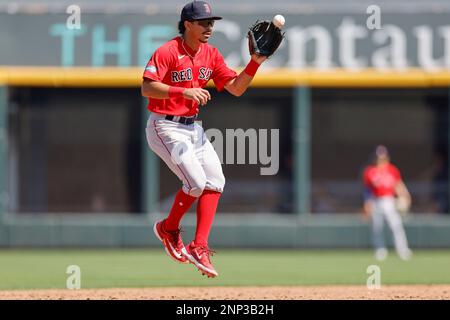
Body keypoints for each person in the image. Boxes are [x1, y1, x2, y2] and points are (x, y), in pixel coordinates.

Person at [141, 1, 267, 278]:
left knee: (215, 182)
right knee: (196, 184)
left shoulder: (211, 54)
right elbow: (146, 87)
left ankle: (199, 245)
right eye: (203, 22)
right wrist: (184, 93)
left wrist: (254, 63)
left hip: (192, 128)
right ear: (187, 24)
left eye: (212, 23)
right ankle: (168, 229)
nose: (209, 27)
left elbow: (235, 88)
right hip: (165, 126)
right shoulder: (168, 51)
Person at [362, 145, 413, 261]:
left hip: (389, 200)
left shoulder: (392, 170)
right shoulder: (370, 171)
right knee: (377, 227)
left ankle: (402, 249)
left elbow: (398, 185)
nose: (381, 159)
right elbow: (367, 189)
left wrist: (405, 195)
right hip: (376, 200)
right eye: (379, 157)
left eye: (383, 157)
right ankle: (380, 250)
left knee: (396, 225)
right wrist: (366, 203)